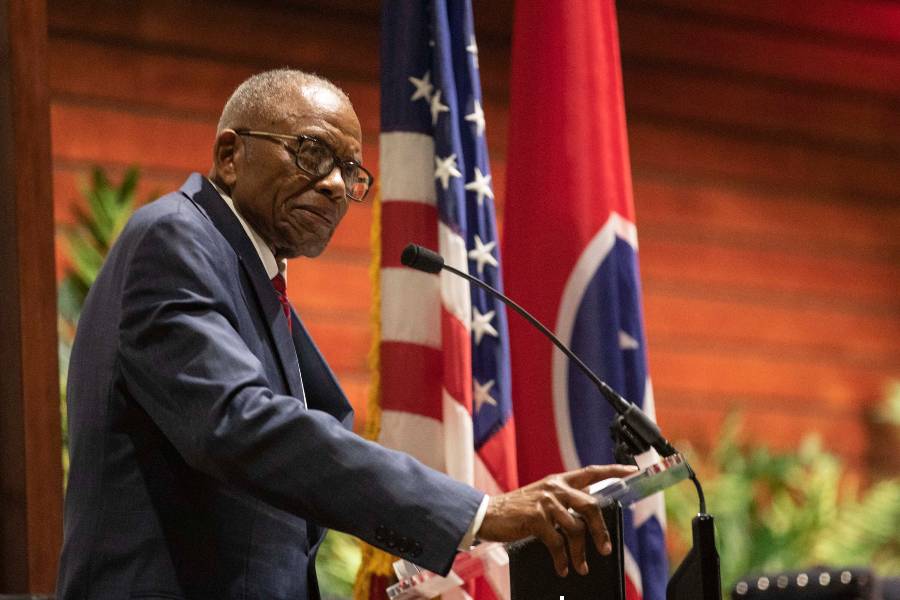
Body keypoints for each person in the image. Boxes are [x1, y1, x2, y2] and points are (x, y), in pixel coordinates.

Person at [57, 69, 636, 599]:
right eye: (312, 153)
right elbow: (240, 425)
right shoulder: (175, 241)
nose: (336, 185)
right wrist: (480, 511)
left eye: (350, 171)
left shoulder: (254, 279)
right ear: (230, 155)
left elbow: (307, 456)